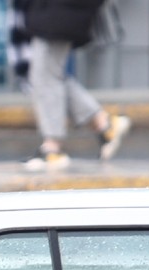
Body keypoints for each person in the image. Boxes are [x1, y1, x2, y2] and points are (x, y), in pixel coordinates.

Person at [21, 0, 131, 172]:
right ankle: (104, 124)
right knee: (49, 75)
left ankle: (53, 148)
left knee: (46, 76)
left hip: (57, 11)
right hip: (57, 11)